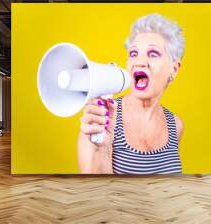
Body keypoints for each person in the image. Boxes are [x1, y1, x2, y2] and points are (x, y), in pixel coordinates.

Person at [77, 13, 185, 174]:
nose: (139, 62)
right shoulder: (98, 121)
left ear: (174, 69)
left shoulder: (175, 125)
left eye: (153, 54)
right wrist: (103, 149)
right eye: (133, 54)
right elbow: (96, 193)